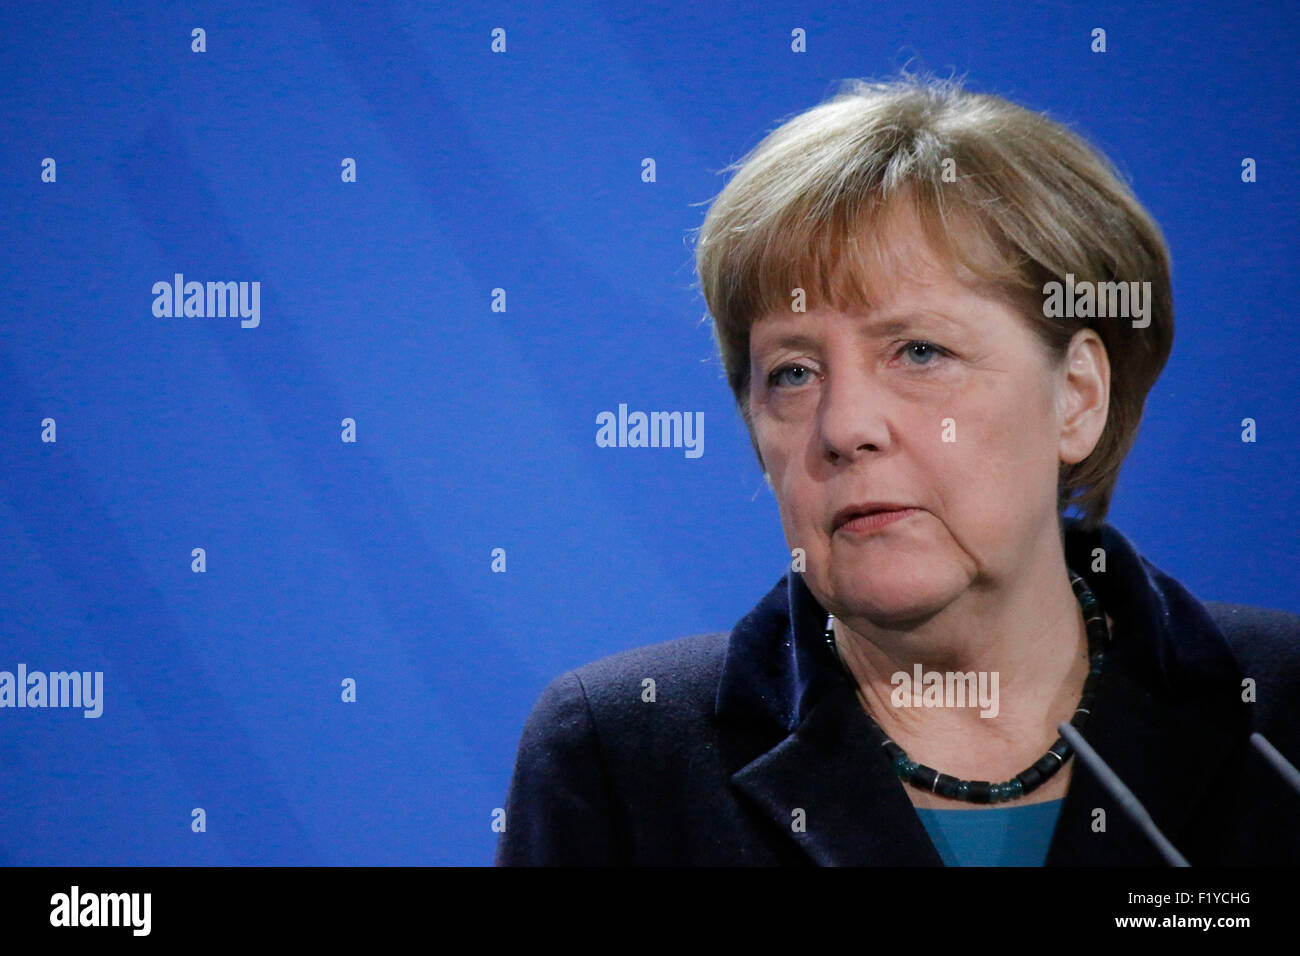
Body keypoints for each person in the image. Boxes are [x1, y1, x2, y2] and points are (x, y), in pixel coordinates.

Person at [495, 73, 1300, 865]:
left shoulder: (1282, 710)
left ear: (1078, 396)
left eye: (920, 352)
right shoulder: (620, 762)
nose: (844, 428)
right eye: (793, 373)